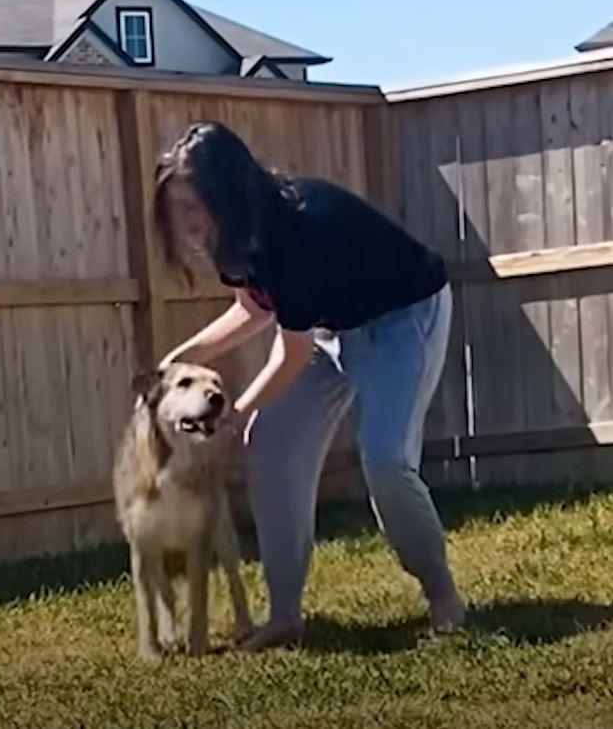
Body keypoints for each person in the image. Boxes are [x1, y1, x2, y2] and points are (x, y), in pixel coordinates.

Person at [152, 121, 465, 652]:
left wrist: (237, 412)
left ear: (227, 195)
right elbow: (254, 309)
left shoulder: (294, 230)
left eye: (195, 207)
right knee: (272, 443)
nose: (188, 224)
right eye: (179, 210)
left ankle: (444, 601)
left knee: (386, 458)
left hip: (402, 319)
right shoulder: (240, 242)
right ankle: (285, 616)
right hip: (331, 327)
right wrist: (182, 358)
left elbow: (291, 354)